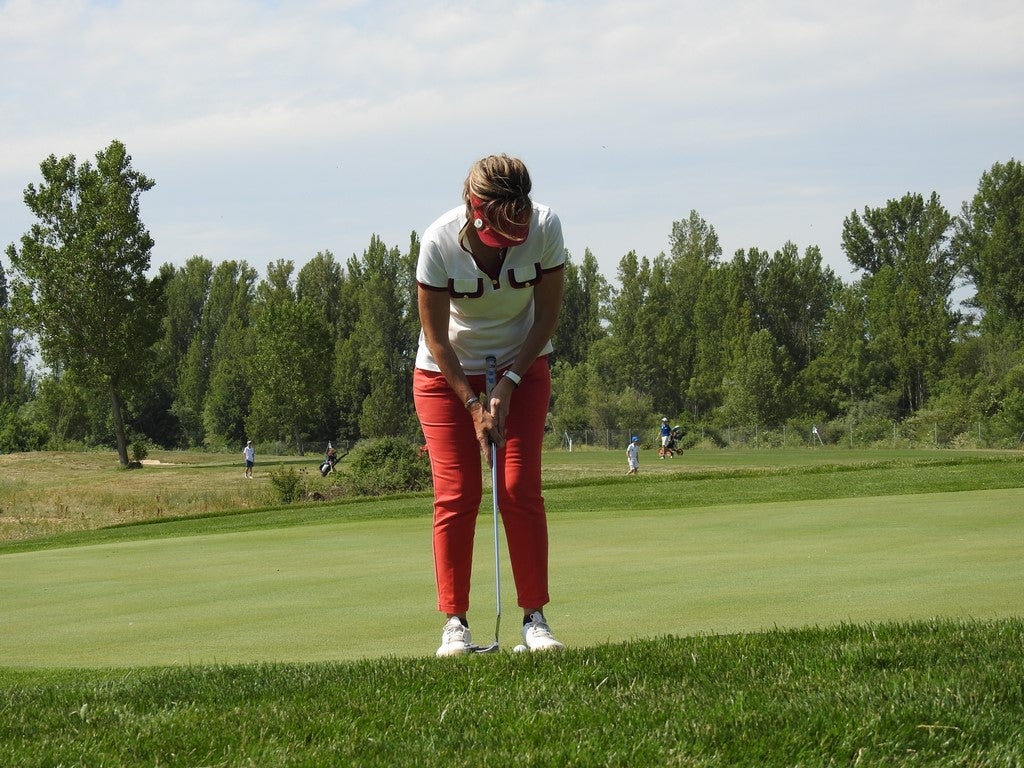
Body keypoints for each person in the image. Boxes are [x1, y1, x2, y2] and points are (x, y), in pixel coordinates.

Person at [413, 154, 566, 657]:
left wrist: (509, 384)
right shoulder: (438, 241)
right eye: (500, 233)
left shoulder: (545, 226)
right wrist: (474, 402)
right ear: (475, 211)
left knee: (518, 487)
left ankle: (535, 619)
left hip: (523, 365)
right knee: (458, 495)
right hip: (446, 374)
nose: (510, 240)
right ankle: (455, 624)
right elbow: (436, 338)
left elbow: (546, 318)